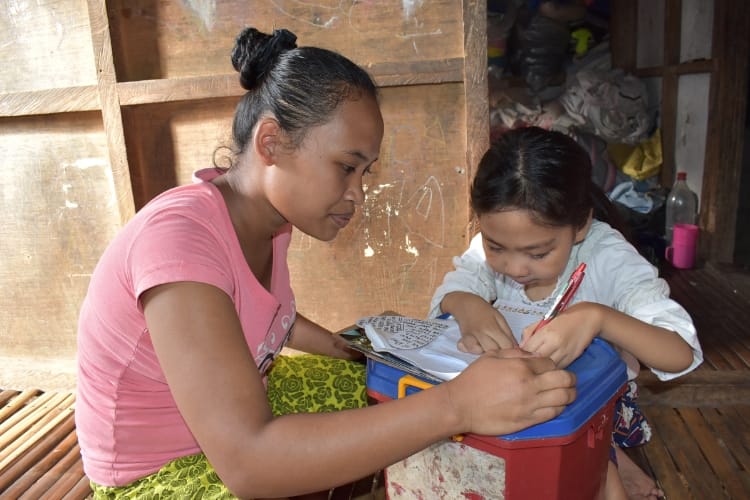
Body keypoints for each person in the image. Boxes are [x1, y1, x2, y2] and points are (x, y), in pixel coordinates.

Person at [75, 28, 577, 499]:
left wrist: (357, 352)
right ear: (271, 143)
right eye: (346, 167)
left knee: (386, 389)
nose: (357, 194)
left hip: (238, 409)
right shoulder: (180, 241)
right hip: (160, 474)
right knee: (414, 414)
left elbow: (272, 320)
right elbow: (249, 462)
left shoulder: (263, 221)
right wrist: (458, 405)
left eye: (365, 172)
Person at [428, 126, 703, 500]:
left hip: (595, 405)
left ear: (581, 225)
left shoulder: (607, 257)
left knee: (586, 468)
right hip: (517, 394)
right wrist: (465, 302)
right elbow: (448, 296)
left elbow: (681, 352)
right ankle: (610, 464)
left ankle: (610, 463)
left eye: (538, 253)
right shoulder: (495, 245)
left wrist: (597, 317)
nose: (514, 267)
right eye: (496, 246)